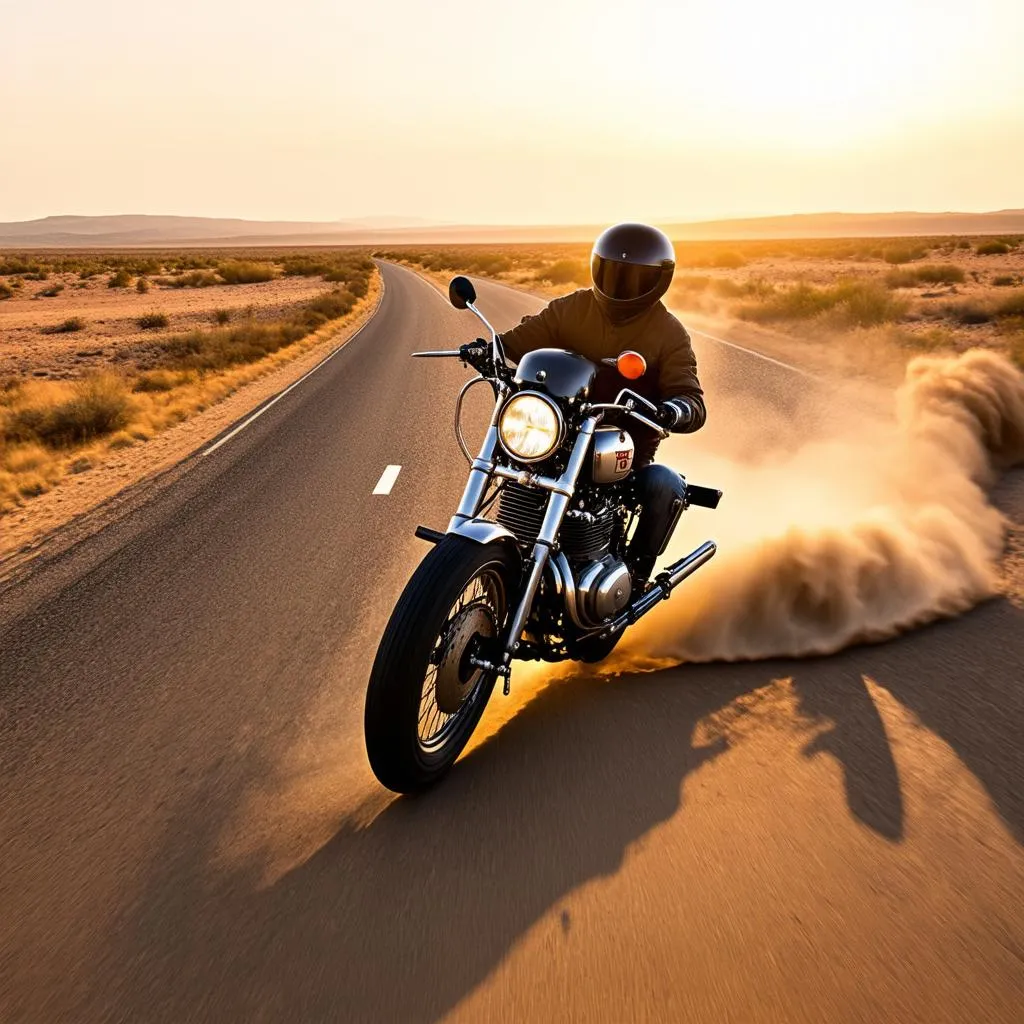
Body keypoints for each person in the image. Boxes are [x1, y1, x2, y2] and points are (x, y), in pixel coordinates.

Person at [463, 222, 707, 586]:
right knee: (507, 461)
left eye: (634, 278)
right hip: (555, 433)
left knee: (663, 484)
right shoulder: (573, 307)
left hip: (620, 451)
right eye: (612, 272)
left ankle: (636, 578)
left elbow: (692, 399)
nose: (620, 284)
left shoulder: (668, 333)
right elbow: (519, 340)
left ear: (658, 281)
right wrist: (488, 349)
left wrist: (672, 409)